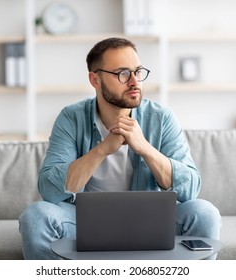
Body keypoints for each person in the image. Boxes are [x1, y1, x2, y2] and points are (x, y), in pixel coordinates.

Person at [19, 37, 221, 260]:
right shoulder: (71, 118)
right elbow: (49, 189)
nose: (134, 81)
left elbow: (190, 188)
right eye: (122, 74)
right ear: (95, 80)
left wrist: (144, 148)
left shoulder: (161, 118)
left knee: (205, 213)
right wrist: (102, 149)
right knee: (36, 217)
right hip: (85, 222)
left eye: (138, 71)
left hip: (150, 220)